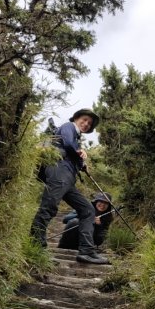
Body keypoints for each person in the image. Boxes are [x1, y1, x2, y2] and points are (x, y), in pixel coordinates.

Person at [30, 108, 109, 264]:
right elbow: (67, 142)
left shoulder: (76, 138)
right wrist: (80, 153)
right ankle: (37, 248)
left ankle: (86, 252)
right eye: (84, 120)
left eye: (89, 123)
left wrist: (81, 164)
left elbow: (71, 150)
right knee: (48, 208)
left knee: (87, 210)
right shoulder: (68, 126)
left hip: (68, 179)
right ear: (76, 118)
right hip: (58, 172)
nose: (86, 124)